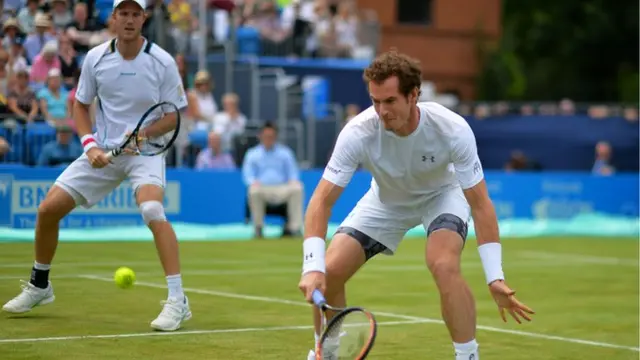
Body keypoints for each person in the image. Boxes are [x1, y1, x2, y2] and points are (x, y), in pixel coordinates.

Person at [297, 51, 535, 360]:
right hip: (385, 201)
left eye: (390, 101)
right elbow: (321, 201)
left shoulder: (452, 129)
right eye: (375, 101)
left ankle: (468, 356)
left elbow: (480, 204)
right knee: (329, 272)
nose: (381, 111)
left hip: (442, 195)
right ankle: (327, 353)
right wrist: (312, 267)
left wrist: (495, 277)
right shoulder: (357, 132)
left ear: (414, 96)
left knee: (443, 263)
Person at [2, 0, 192, 332]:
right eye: (124, 13)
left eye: (136, 13)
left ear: (143, 18)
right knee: (47, 210)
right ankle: (40, 285)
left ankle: (178, 301)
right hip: (103, 151)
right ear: (113, 19)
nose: (130, 19)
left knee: (151, 209)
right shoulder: (96, 58)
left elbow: (174, 115)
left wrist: (142, 135)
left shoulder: (161, 62)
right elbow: (80, 105)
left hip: (145, 153)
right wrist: (89, 145)